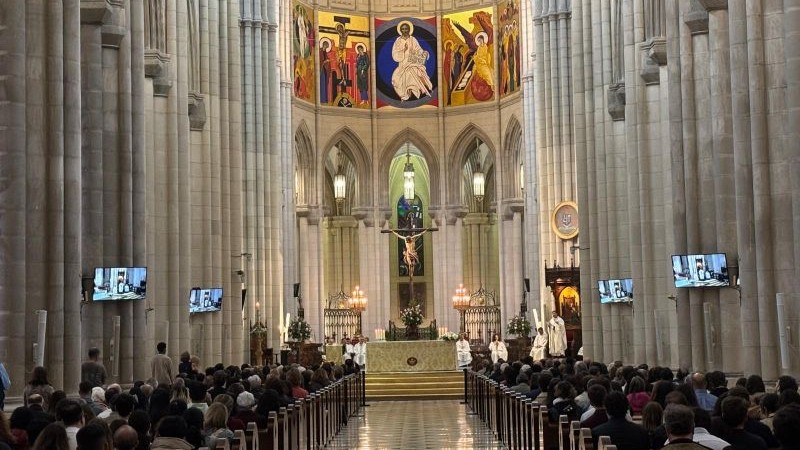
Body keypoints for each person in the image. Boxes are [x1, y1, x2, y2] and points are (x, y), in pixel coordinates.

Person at [390, 21, 433, 101]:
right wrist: (403, 50)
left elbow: (418, 49)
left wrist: (424, 53)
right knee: (397, 79)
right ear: (400, 30)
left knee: (415, 73)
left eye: (406, 29)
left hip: (413, 63)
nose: (405, 30)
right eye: (403, 29)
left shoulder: (413, 39)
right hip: (402, 64)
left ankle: (414, 92)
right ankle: (406, 94)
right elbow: (394, 54)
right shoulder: (398, 40)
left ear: (409, 30)